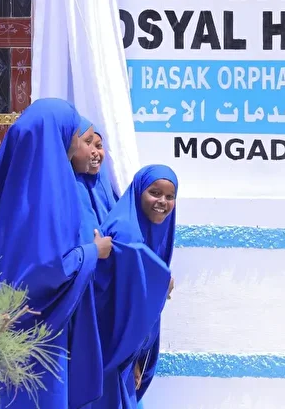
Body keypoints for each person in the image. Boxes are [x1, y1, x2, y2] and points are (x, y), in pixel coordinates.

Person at [0, 98, 113, 408]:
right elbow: (47, 271)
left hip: (4, 328)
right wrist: (92, 252)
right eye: (75, 134)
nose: (76, 141)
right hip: (41, 332)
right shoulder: (50, 199)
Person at [92, 165, 178, 409]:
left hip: (125, 351)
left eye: (170, 196)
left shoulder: (155, 230)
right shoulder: (126, 232)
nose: (162, 202)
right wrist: (159, 281)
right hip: (109, 350)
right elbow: (120, 301)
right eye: (155, 193)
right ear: (139, 192)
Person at [76, 123, 119, 224]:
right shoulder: (73, 187)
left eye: (98, 146)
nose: (94, 152)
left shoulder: (109, 187)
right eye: (87, 144)